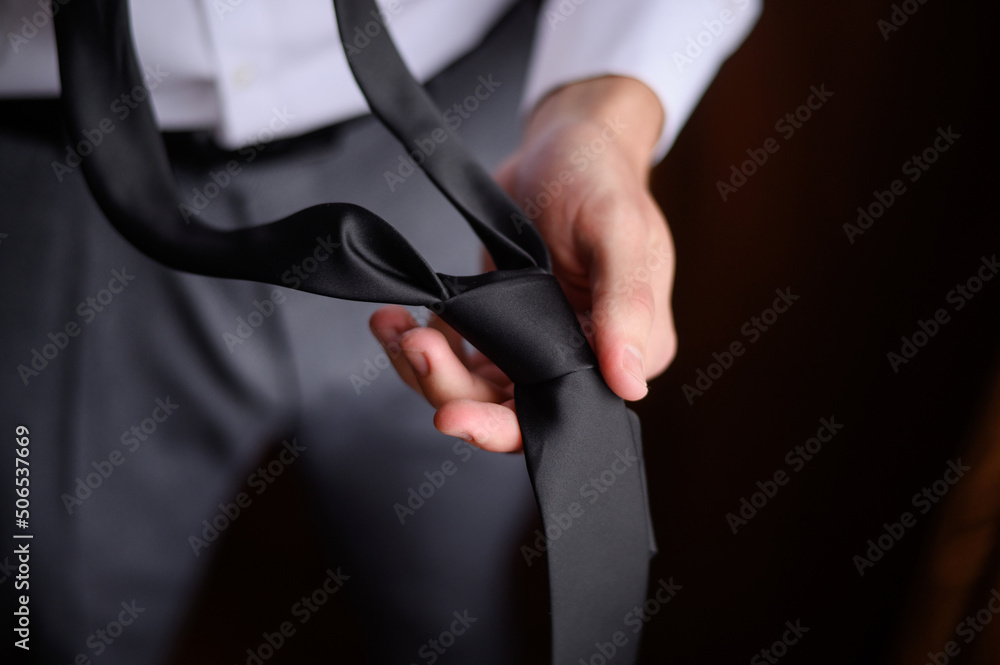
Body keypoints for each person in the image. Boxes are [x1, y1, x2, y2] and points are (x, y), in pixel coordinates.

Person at [0, 0, 759, 662]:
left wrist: (603, 117)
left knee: (452, 592)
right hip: (57, 192)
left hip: (482, 157)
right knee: (45, 608)